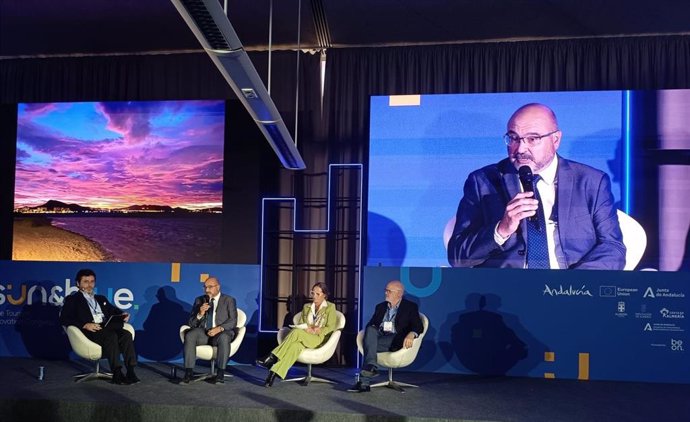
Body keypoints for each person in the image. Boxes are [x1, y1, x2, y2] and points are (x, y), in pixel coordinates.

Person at [447, 103, 626, 270]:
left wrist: (573, 284)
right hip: (507, 293)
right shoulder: (483, 181)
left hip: (570, 290)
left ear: (555, 140)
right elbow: (458, 257)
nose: (520, 149)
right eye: (513, 138)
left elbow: (613, 247)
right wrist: (501, 229)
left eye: (532, 139)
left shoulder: (591, 181)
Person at [59, 268, 139, 385]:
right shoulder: (73, 300)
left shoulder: (101, 299)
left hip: (106, 327)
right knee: (111, 336)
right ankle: (116, 372)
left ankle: (131, 371)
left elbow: (114, 310)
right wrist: (85, 325)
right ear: (77, 283)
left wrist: (123, 314)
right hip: (90, 331)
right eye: (85, 282)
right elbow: (64, 318)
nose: (89, 285)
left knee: (126, 334)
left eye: (92, 281)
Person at [256, 282, 337, 387]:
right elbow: (302, 324)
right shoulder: (307, 306)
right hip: (305, 336)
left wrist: (318, 330)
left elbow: (330, 327)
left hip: (318, 339)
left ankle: (273, 357)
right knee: (295, 346)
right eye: (313, 293)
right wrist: (306, 328)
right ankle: (273, 374)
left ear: (324, 295)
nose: (314, 296)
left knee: (296, 332)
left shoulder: (330, 307)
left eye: (318, 294)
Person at [348, 280, 424, 393]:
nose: (386, 293)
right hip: (380, 335)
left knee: (369, 345)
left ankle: (365, 381)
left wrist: (412, 334)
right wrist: (373, 329)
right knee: (370, 329)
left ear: (399, 293)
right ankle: (369, 370)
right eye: (385, 290)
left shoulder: (410, 307)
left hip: (396, 338)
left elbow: (418, 326)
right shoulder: (380, 307)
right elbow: (371, 324)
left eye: (389, 291)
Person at [181, 276, 237, 384]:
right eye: (205, 287)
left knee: (225, 337)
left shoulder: (229, 300)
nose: (207, 290)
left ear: (218, 287)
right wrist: (200, 313)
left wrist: (219, 328)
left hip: (221, 333)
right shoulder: (199, 300)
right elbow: (191, 323)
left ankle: (220, 374)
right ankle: (188, 373)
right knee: (190, 335)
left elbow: (233, 321)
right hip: (204, 333)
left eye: (210, 287)